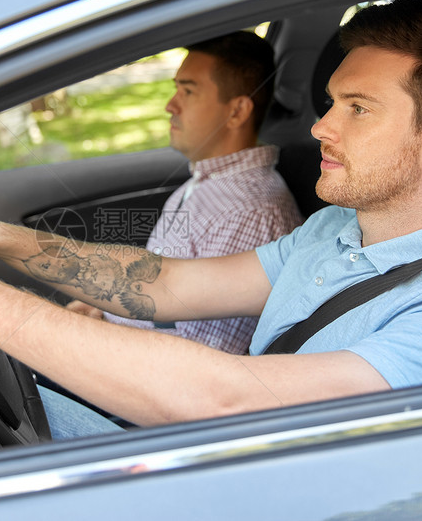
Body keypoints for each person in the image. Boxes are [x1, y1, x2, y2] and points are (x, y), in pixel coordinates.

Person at [0, 0, 422, 440]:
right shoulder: (337, 230)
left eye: (357, 108)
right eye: (331, 102)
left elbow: (233, 401)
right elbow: (163, 284)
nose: (320, 125)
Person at [67, 32, 302, 355]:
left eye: (188, 91)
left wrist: (97, 333)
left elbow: (200, 354)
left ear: (237, 112)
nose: (169, 105)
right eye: (176, 88)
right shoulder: (208, 181)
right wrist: (104, 310)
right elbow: (163, 291)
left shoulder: (249, 211)